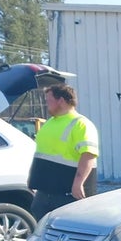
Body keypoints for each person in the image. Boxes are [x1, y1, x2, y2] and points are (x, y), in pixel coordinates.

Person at [27, 84, 99, 220]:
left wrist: (78, 183)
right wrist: (32, 178)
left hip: (68, 194)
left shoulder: (81, 124)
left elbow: (88, 155)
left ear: (61, 100)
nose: (46, 104)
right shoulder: (49, 123)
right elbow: (41, 153)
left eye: (49, 100)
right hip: (44, 193)